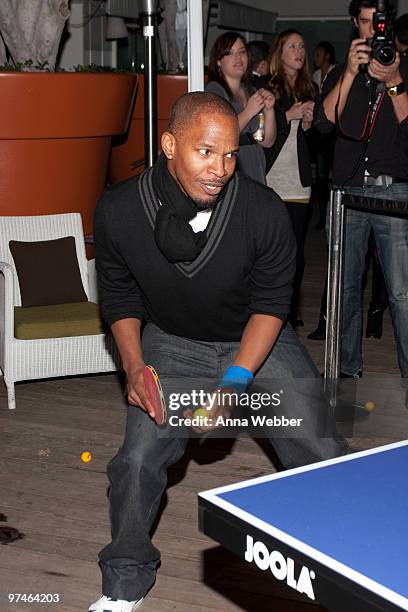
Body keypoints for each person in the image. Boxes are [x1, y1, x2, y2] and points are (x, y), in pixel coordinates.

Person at [89, 92, 347, 612]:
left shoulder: (262, 209)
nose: (221, 169)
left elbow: (274, 303)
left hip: (254, 340)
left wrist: (234, 383)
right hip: (171, 342)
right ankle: (125, 578)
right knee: (136, 460)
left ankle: (344, 561)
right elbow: (119, 295)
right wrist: (135, 367)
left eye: (231, 154)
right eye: (206, 152)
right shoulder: (118, 210)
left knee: (323, 449)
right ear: (169, 145)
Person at [315, 0, 408, 391]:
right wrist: (351, 73)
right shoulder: (342, 70)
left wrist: (393, 81)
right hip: (347, 191)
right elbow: (323, 123)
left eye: (379, 25)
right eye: (367, 24)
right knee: (345, 287)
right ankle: (345, 371)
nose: (374, 33)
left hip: (393, 192)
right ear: (356, 23)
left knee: (402, 292)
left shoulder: (403, 67)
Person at [265, 29, 316, 327]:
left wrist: (308, 124)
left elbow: (314, 137)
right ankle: (270, 312)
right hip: (272, 178)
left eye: (302, 46)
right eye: (292, 46)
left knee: (297, 253)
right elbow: (261, 136)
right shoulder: (268, 87)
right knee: (274, 252)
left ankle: (290, 311)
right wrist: (288, 115)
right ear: (279, 53)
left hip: (298, 179)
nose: (299, 51)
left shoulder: (309, 87)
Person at [205, 31, 276, 184]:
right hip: (232, 165)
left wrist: (269, 110)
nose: (238, 58)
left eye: (242, 52)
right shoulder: (214, 90)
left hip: (255, 162)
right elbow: (220, 134)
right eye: (230, 53)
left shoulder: (251, 91)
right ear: (218, 61)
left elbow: (267, 141)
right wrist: (249, 112)